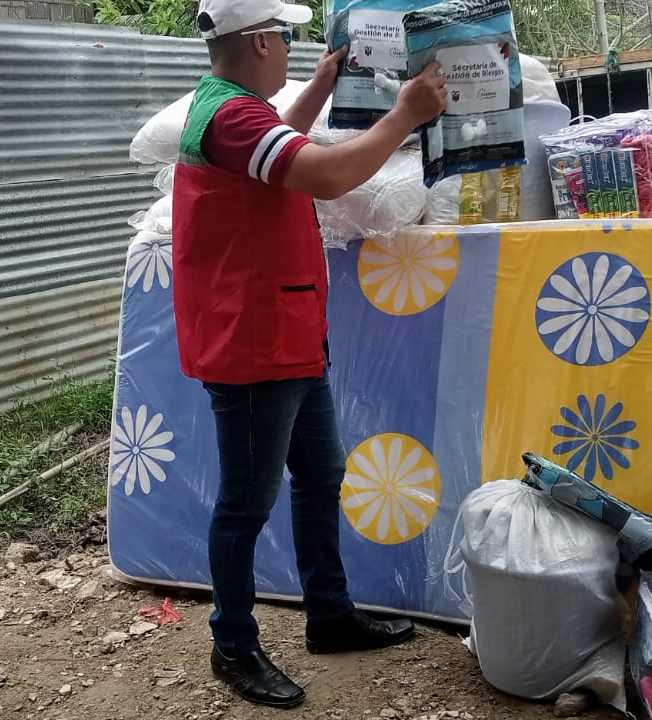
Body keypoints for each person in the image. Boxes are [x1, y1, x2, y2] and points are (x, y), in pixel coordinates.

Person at [170, 0, 448, 710]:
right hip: (254, 342)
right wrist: (404, 116)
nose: (291, 48)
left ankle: (329, 613)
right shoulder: (231, 117)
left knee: (322, 476)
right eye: (286, 36)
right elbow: (323, 175)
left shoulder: (232, 109)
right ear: (262, 41)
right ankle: (233, 644)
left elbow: (276, 151)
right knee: (245, 504)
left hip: (286, 332)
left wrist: (321, 86)